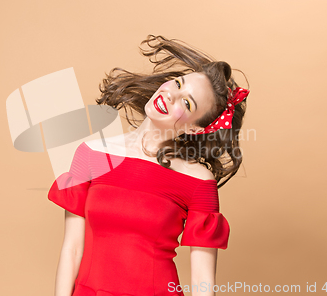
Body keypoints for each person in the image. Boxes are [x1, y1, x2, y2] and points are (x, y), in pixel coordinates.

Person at [47, 35, 250, 296]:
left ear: (194, 127)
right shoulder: (91, 154)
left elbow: (202, 282)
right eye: (177, 84)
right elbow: (72, 249)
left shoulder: (199, 181)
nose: (171, 95)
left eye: (187, 103)